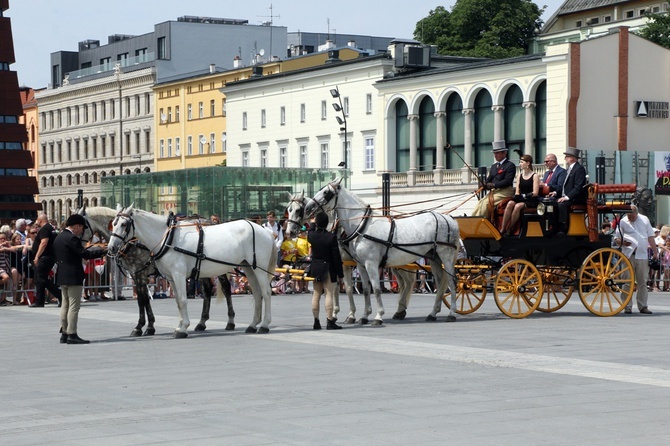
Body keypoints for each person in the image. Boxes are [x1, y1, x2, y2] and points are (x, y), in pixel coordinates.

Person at [54, 214, 107, 344]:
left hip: (62, 275)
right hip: (73, 275)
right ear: (76, 226)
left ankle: (64, 333)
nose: (82, 231)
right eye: (81, 228)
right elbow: (85, 254)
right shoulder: (72, 238)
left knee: (65, 305)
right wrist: (103, 251)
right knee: (74, 306)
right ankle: (72, 333)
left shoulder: (59, 238)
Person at [614, 205, 658, 314]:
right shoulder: (623, 221)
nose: (630, 219)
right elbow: (616, 239)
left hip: (642, 255)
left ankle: (643, 306)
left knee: (642, 281)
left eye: (632, 217)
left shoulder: (644, 219)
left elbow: (651, 237)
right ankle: (627, 306)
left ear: (636, 213)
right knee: (627, 281)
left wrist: (655, 251)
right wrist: (623, 243)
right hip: (628, 255)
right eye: (629, 217)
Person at [307, 212, 344, 330]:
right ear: (327, 223)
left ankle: (316, 321)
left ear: (317, 222)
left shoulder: (312, 236)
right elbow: (336, 257)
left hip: (316, 267)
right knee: (329, 294)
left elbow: (310, 230)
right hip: (328, 268)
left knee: (316, 295)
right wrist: (340, 274)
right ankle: (329, 321)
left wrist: (312, 223)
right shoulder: (331, 237)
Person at [471, 140, 516, 218]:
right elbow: (489, 178)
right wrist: (484, 185)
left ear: (504, 153)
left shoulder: (510, 165)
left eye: (497, 153)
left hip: (505, 191)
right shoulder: (494, 166)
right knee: (480, 203)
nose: (495, 155)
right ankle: (472, 220)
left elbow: (508, 181)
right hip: (495, 192)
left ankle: (481, 223)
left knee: (486, 204)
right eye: (494, 153)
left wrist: (493, 185)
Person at [549, 147, 587, 235]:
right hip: (566, 197)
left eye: (566, 156)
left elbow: (578, 187)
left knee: (561, 204)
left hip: (575, 199)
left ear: (572, 158)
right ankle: (553, 226)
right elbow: (562, 185)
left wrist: (566, 197)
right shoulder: (568, 170)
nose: (565, 158)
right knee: (549, 203)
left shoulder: (579, 169)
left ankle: (563, 228)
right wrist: (555, 192)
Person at [500, 154, 539, 236]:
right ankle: (503, 228)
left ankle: (510, 228)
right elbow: (517, 191)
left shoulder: (535, 176)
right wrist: (516, 197)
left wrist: (524, 196)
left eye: (522, 162)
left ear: (528, 163)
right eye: (520, 162)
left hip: (530, 200)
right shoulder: (519, 176)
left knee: (518, 206)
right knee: (510, 203)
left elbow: (535, 193)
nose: (520, 164)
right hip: (521, 198)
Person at [31, 214, 62, 307]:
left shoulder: (45, 229)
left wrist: (37, 256)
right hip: (48, 257)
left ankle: (60, 295)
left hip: (44, 257)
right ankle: (39, 301)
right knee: (39, 279)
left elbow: (44, 243)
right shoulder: (51, 228)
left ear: (40, 220)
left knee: (41, 279)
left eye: (37, 220)